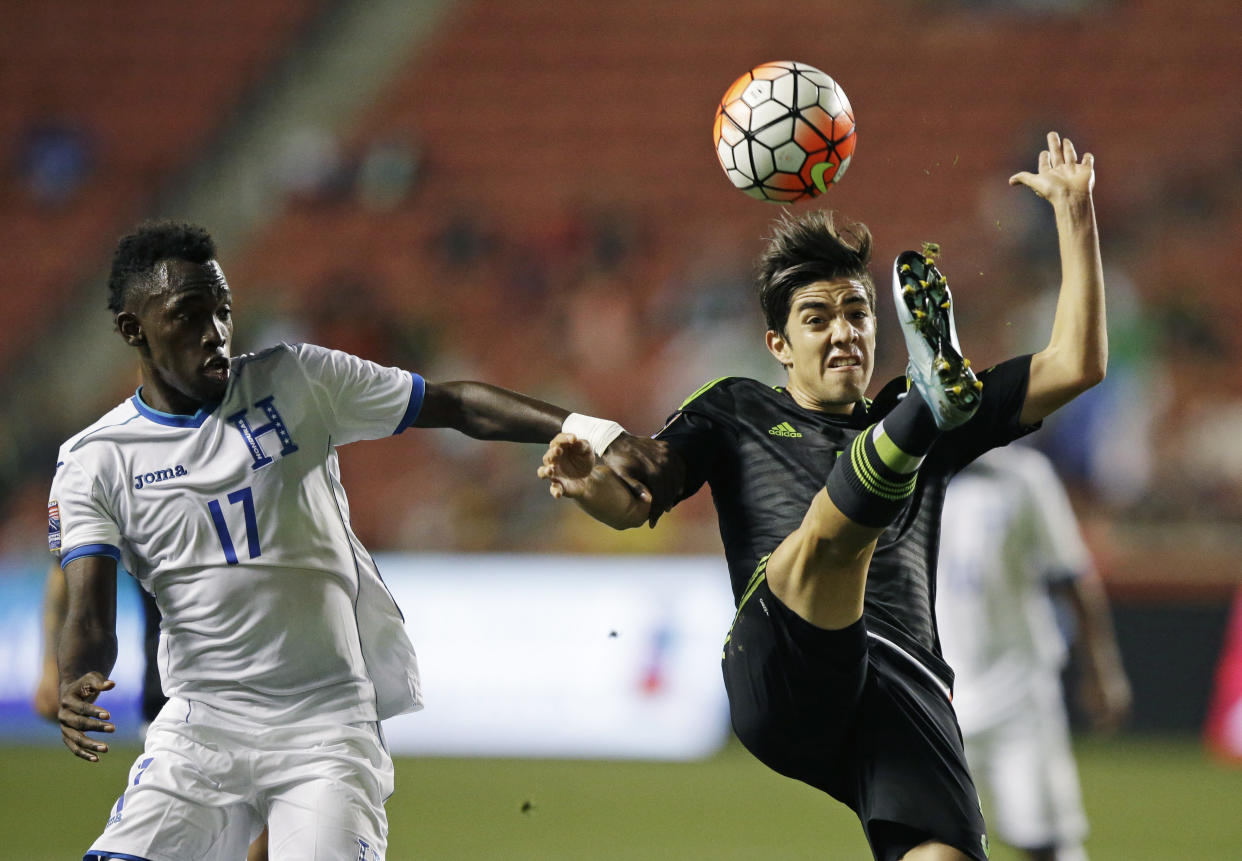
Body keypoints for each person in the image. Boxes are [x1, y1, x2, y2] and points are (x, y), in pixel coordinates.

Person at [538, 131, 1106, 861]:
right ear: (778, 343)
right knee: (832, 544)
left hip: (902, 683)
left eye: (858, 313)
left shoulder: (924, 401)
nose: (844, 333)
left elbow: (1078, 362)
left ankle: (920, 415)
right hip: (784, 658)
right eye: (817, 318)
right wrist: (589, 487)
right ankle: (918, 418)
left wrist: (1074, 215)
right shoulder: (735, 408)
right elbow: (633, 502)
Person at [49, 219, 666, 861]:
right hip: (202, 725)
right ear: (133, 330)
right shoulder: (95, 460)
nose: (215, 334)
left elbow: (456, 405)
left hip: (327, 724)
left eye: (223, 312)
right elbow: (89, 608)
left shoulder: (297, 380)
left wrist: (594, 432)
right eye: (188, 316)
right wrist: (78, 678)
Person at [936, 445, 1131, 861]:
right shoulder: (905, 471)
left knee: (1044, 840)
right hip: (936, 695)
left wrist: (1102, 671)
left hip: (1018, 688)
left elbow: (1071, 575)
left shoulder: (1024, 475)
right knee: (936, 843)